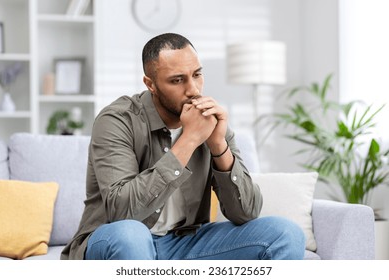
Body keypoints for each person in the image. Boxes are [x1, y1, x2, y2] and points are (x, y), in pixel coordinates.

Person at [61, 33, 305, 260]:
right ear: (151, 84)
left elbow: (246, 213)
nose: (193, 90)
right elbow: (123, 213)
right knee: (131, 236)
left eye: (197, 74)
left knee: (285, 234)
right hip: (116, 240)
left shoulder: (211, 120)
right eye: (177, 80)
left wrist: (218, 145)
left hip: (186, 242)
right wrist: (189, 139)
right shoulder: (117, 120)